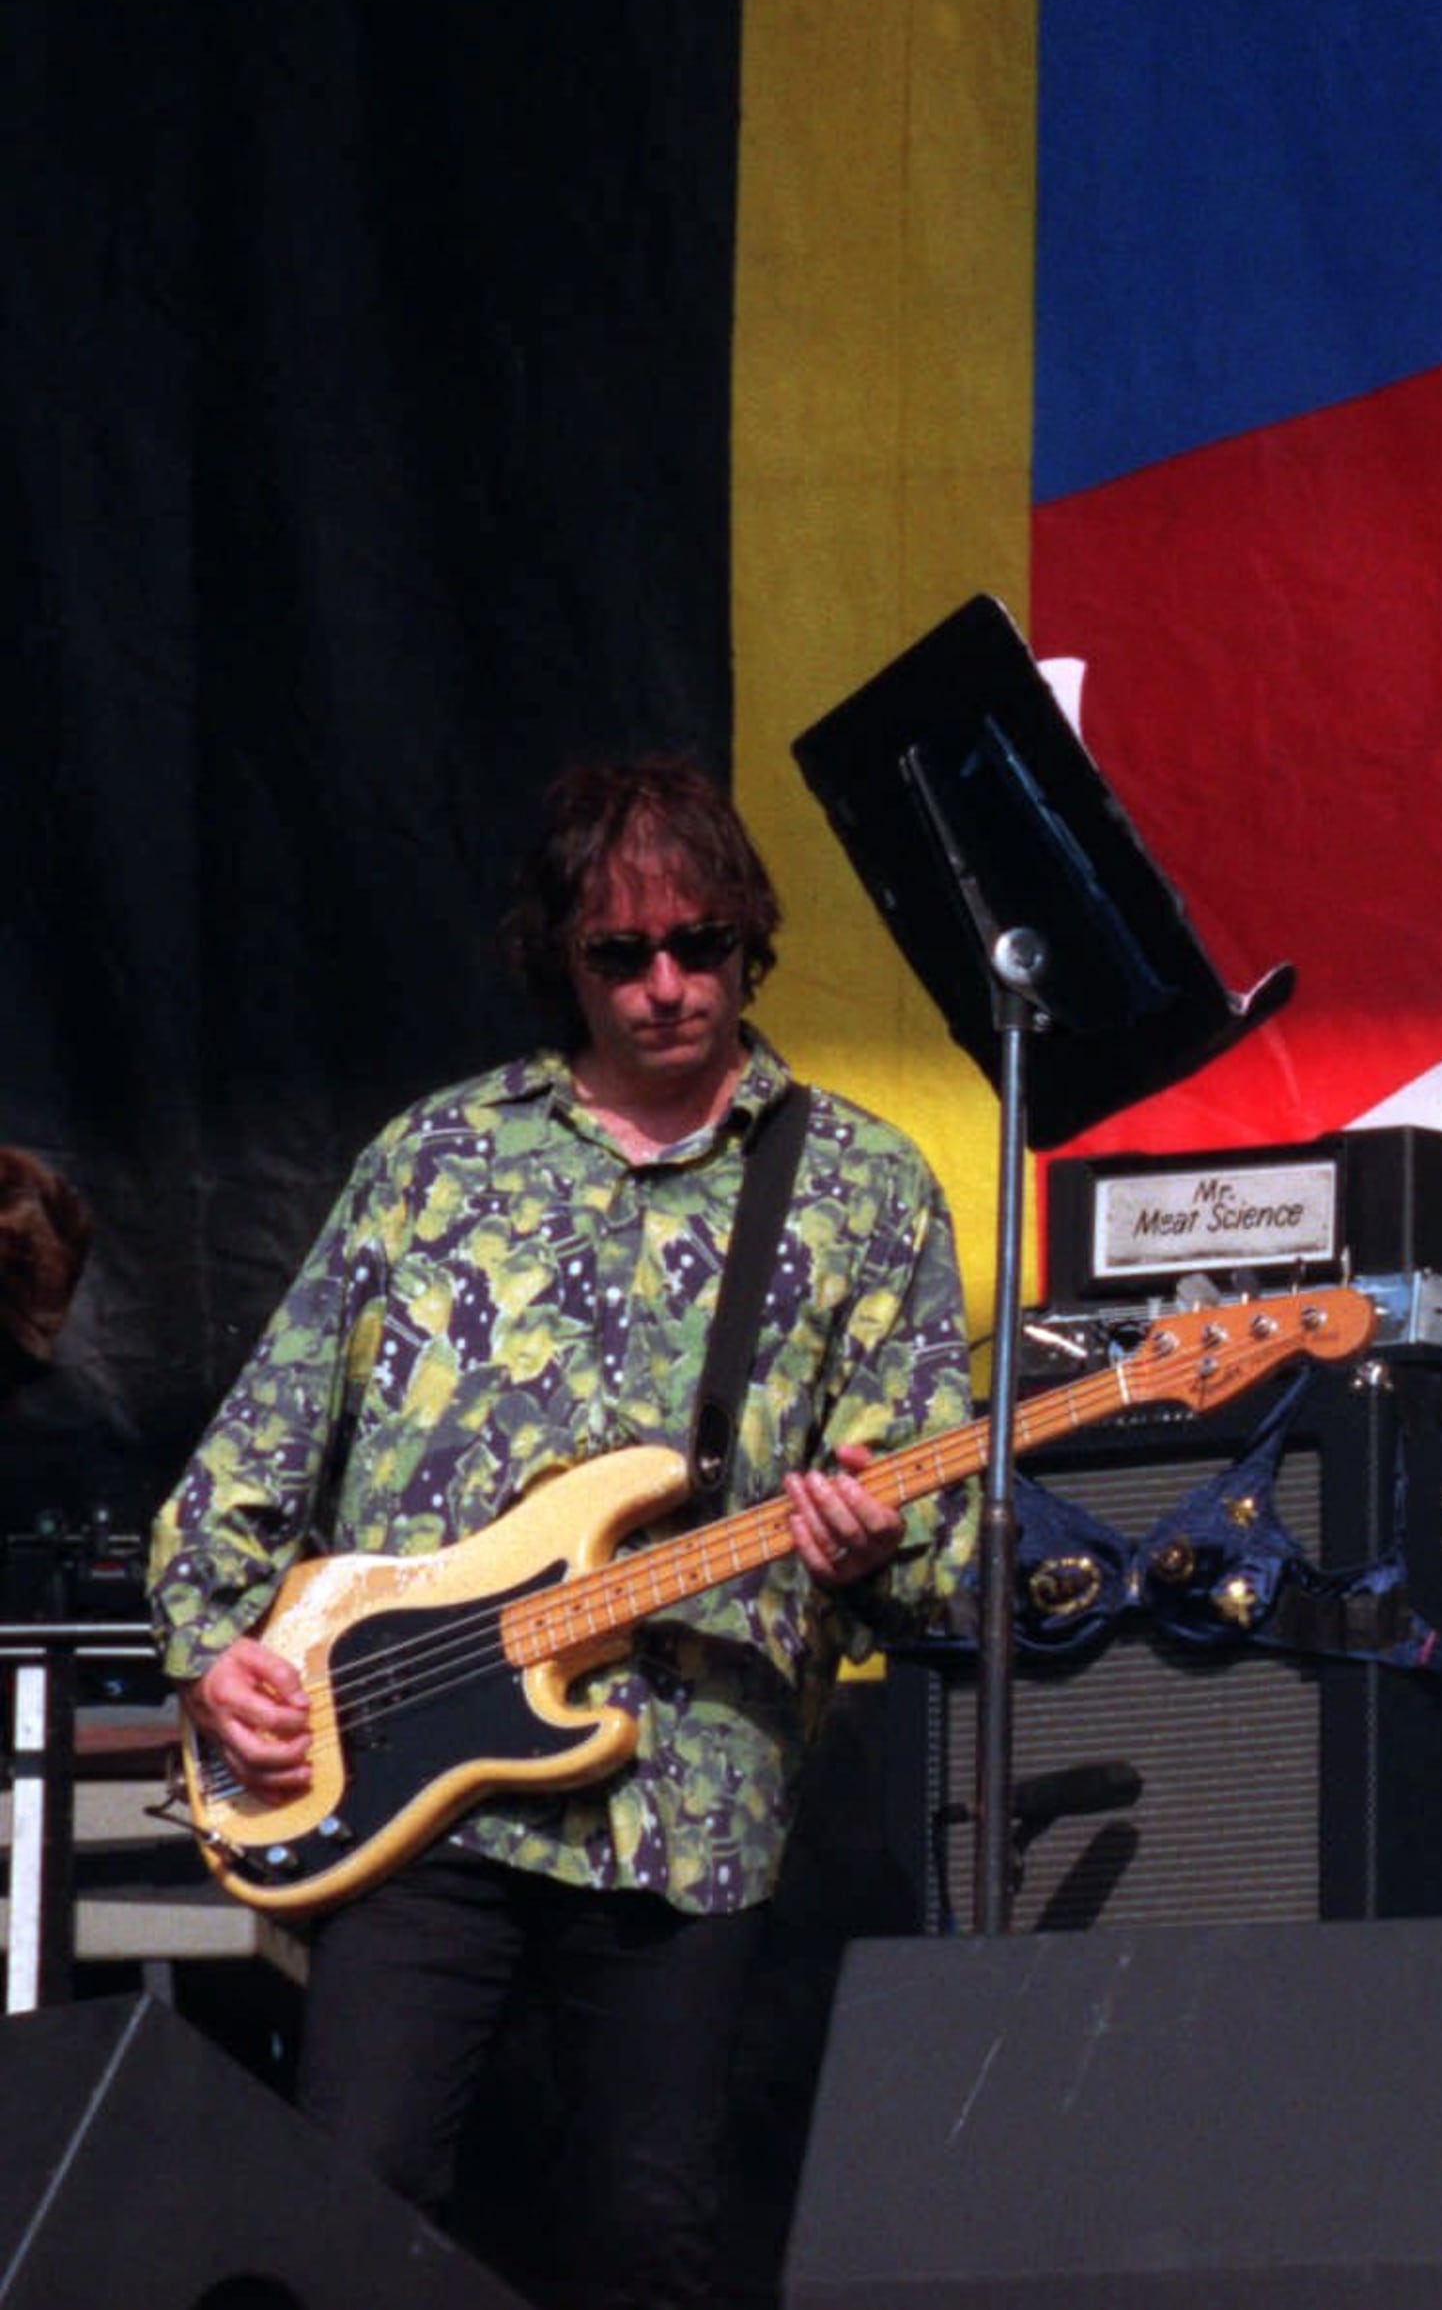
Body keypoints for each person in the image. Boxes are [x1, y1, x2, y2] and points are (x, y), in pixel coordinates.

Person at [148, 760, 975, 2310]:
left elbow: (921, 1530)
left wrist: (873, 1541)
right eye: (622, 953)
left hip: (690, 1790)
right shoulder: (438, 1159)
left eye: (705, 944)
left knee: (646, 2238)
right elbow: (253, 1449)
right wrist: (214, 1651)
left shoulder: (861, 1185)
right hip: (400, 1771)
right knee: (353, 2203)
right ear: (561, 955)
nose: (669, 985)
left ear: (752, 943)